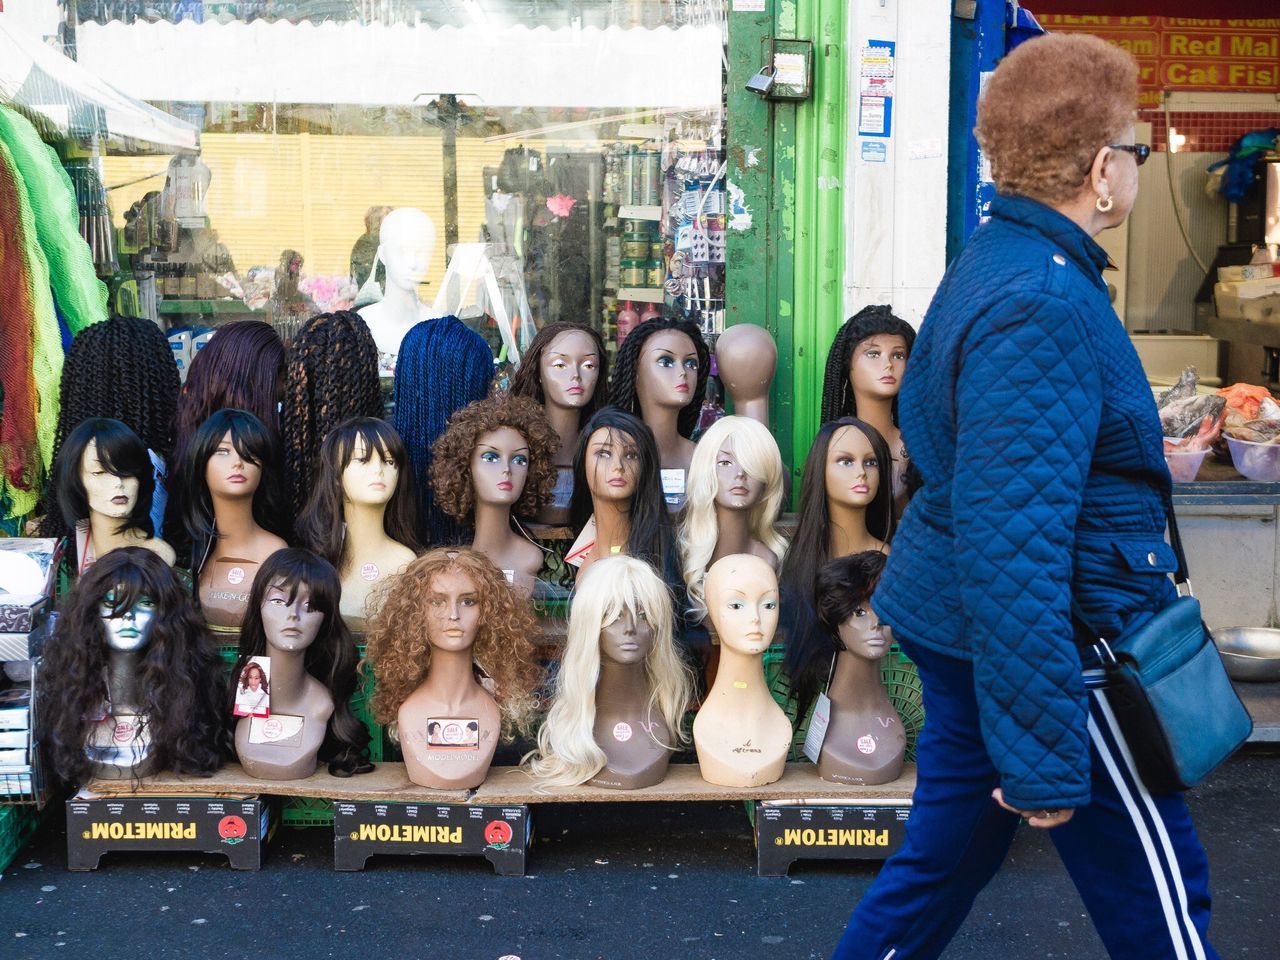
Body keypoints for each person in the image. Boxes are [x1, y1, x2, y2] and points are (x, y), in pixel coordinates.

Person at [832, 34, 1218, 960]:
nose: (1137, 162)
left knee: (944, 864)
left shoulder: (1003, 254)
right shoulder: (1042, 300)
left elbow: (1005, 477)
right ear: (1099, 171)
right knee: (1162, 895)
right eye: (1133, 146)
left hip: (987, 627)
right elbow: (1015, 541)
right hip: (1069, 646)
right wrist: (1046, 758)